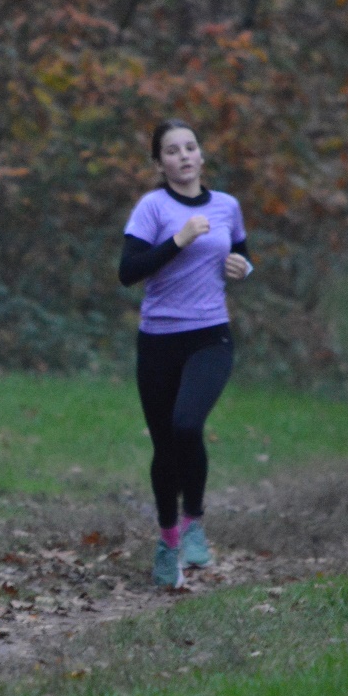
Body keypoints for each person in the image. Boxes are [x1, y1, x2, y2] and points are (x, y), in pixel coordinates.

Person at [118, 119, 251, 589]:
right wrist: (178, 240)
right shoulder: (152, 208)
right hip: (157, 341)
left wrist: (244, 266)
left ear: (201, 155)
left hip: (209, 337)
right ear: (160, 163)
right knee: (164, 445)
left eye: (190, 147)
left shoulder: (226, 206)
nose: (184, 156)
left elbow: (240, 253)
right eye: (172, 151)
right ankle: (167, 541)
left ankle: (194, 520)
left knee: (187, 425)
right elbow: (128, 272)